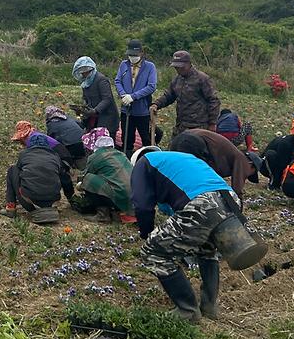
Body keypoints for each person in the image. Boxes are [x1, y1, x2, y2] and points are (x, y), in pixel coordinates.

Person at [130, 146, 247, 323]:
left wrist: (147, 232)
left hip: (202, 203)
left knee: (153, 253)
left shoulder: (143, 164)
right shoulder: (180, 158)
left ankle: (188, 310)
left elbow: (142, 205)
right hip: (230, 200)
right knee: (206, 250)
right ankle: (209, 306)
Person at [0, 121, 74, 222]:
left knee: (13, 170)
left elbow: (20, 174)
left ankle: (11, 208)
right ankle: (47, 204)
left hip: (29, 202)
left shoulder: (25, 154)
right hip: (52, 200)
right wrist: (71, 198)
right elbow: (66, 179)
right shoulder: (55, 157)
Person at [169, 129, 261, 208]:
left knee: (180, 172)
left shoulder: (229, 155)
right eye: (252, 173)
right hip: (192, 142)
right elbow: (237, 190)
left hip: (183, 137)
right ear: (251, 164)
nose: (247, 175)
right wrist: (237, 210)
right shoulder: (242, 160)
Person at [149, 51, 220, 136]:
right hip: (181, 125)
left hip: (199, 126)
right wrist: (156, 104)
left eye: (181, 67)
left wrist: (212, 123)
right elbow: (169, 96)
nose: (178, 70)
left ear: (189, 64)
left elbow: (214, 100)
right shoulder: (177, 80)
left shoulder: (202, 79)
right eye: (176, 67)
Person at [70, 131, 135, 224]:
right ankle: (116, 210)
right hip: (134, 196)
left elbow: (86, 175)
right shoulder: (121, 154)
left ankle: (103, 215)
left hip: (120, 193)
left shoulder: (96, 156)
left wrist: (80, 186)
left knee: (88, 179)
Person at [114, 40, 158, 157]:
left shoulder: (149, 67)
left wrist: (133, 97)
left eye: (135, 55)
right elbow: (117, 81)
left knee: (145, 138)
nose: (132, 57)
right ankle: (127, 160)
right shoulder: (124, 64)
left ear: (141, 53)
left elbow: (151, 86)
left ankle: (147, 160)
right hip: (126, 108)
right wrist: (123, 94)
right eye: (130, 55)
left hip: (142, 110)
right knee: (127, 138)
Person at [72, 56, 119, 137]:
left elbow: (107, 99)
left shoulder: (101, 80)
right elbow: (86, 99)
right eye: (82, 72)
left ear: (91, 69)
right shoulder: (85, 82)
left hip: (107, 117)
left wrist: (95, 110)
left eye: (85, 72)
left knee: (105, 142)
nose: (83, 74)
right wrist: (82, 109)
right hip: (94, 118)